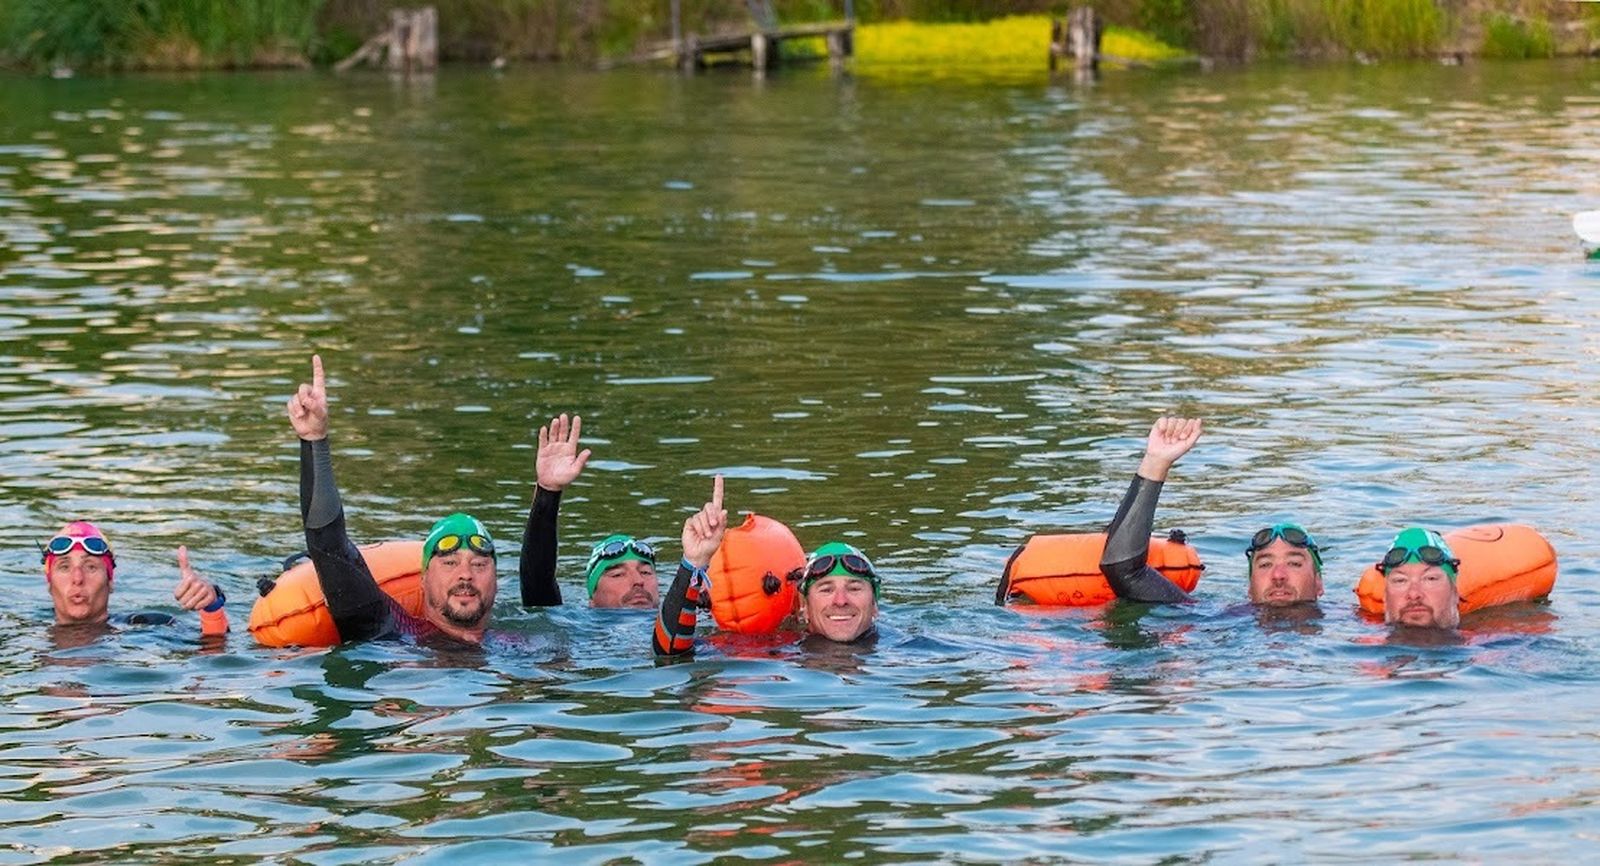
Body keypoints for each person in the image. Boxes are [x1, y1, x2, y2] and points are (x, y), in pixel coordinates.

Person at [287, 354, 498, 645]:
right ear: (423, 579)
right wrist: (315, 441)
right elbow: (330, 549)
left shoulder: (519, 646)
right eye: (449, 563)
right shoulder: (393, 630)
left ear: (496, 581)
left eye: (479, 565)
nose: (466, 575)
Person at [1099, 417, 1324, 607]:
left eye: (1294, 563)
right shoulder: (1215, 620)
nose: (1278, 576)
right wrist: (1156, 462)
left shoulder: (1342, 624)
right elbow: (1124, 571)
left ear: (1319, 583)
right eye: (1265, 565)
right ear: (1249, 588)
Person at [652, 476, 883, 657]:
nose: (840, 601)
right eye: (826, 589)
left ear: (875, 605)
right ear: (804, 606)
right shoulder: (775, 650)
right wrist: (693, 563)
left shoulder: (899, 652)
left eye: (854, 588)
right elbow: (669, 654)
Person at [517, 412, 660, 609]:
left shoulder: (685, 617)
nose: (638, 581)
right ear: (592, 599)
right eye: (617, 574)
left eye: (646, 572)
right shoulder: (578, 624)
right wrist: (548, 491)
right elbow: (538, 585)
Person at [41, 520, 228, 635]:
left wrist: (211, 609)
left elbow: (214, 654)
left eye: (91, 567)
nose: (77, 578)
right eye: (64, 567)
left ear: (110, 582)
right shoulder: (27, 636)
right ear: (49, 583)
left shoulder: (148, 627)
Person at [1377, 527, 1460, 629]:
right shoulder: (1362, 634)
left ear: (1455, 593)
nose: (1414, 594)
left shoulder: (1477, 636)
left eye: (1430, 578)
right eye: (1400, 580)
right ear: (1385, 596)